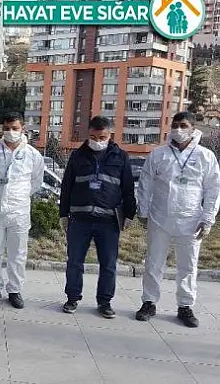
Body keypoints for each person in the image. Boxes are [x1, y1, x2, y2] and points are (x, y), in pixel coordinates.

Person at [135, 112, 220, 328]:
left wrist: (208, 219)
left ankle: (185, 306)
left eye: (183, 125)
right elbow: (145, 183)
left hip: (191, 220)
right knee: (153, 262)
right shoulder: (159, 154)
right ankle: (149, 302)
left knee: (188, 265)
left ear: (193, 128)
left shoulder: (205, 156)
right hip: (160, 217)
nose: (178, 130)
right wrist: (143, 212)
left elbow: (213, 189)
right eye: (175, 125)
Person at [59, 116, 136, 318]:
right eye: (93, 137)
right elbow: (66, 186)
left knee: (108, 264)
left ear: (110, 135)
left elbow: (128, 188)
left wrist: (129, 214)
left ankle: (105, 302)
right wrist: (63, 213)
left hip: (108, 221)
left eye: (102, 137)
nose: (97, 141)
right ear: (88, 134)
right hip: (80, 219)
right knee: (74, 261)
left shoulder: (121, 157)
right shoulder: (78, 156)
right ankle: (72, 298)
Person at [0, 113, 44, 309]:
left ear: (23, 129)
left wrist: (18, 196)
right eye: (7, 128)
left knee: (18, 253)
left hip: (19, 211)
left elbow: (36, 182)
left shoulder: (33, 155)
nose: (10, 132)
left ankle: (14, 290)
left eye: (15, 128)